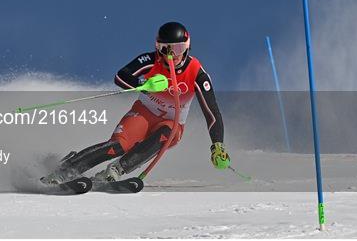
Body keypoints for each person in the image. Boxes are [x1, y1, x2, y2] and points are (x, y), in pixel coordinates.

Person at [41, 22, 230, 184]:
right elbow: (120, 77)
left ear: (187, 47)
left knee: (166, 134)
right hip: (144, 113)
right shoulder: (150, 60)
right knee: (118, 146)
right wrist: (144, 84)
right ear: (158, 48)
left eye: (178, 49)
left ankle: (115, 171)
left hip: (172, 123)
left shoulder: (197, 73)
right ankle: (65, 170)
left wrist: (217, 145)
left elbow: (212, 112)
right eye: (166, 49)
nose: (172, 55)